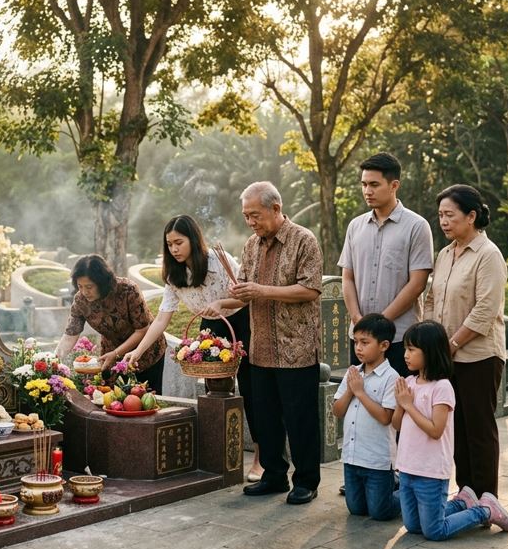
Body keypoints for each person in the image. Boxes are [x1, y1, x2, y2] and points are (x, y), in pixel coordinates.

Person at [123, 215, 262, 481]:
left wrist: (222, 304)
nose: (174, 249)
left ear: (193, 240)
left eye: (179, 242)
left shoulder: (217, 262)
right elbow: (162, 318)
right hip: (210, 329)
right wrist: (137, 351)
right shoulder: (174, 276)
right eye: (170, 244)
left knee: (251, 390)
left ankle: (259, 458)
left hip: (240, 322)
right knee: (216, 392)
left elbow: (242, 299)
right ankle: (220, 455)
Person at [213, 181, 323, 504]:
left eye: (255, 215)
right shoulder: (251, 245)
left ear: (276, 208)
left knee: (300, 418)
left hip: (296, 349)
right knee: (265, 418)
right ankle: (274, 475)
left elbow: (310, 289)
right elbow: (247, 292)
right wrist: (225, 302)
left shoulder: (304, 240)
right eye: (246, 217)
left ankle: (306, 481)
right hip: (260, 349)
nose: (251, 222)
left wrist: (260, 290)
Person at [392, 320, 508, 540]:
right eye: (405, 349)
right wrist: (401, 404)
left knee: (435, 531)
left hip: (430, 471)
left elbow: (436, 430)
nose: (405, 355)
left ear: (429, 352)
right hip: (407, 468)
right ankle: (464, 501)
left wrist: (408, 405)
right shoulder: (408, 382)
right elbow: (397, 425)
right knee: (413, 526)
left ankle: (484, 510)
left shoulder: (442, 387)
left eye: (411, 349)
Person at [425, 184, 507, 498]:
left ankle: (487, 499)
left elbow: (485, 309)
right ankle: (466, 492)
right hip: (448, 355)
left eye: (450, 215)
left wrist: (453, 343)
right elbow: (431, 299)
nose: (443, 221)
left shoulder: (489, 255)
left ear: (471, 216)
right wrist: (433, 338)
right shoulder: (445, 254)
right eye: (441, 215)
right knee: (456, 428)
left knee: (479, 428)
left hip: (479, 356)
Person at [339, 152, 433, 377]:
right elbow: (348, 277)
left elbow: (417, 283)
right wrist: (358, 321)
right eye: (363, 184)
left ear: (394, 185)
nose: (367, 191)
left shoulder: (417, 226)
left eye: (374, 184)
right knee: (361, 405)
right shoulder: (355, 226)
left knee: (398, 407)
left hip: (399, 339)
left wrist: (380, 324)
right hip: (360, 339)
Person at [56, 254, 166, 393]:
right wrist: (53, 360)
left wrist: (116, 353)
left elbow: (142, 330)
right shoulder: (80, 300)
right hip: (111, 355)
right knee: (112, 399)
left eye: (89, 287)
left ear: (102, 282)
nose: (84, 292)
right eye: (80, 286)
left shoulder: (127, 290)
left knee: (145, 399)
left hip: (146, 350)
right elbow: (70, 334)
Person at [332, 313, 400, 520]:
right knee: (357, 509)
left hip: (377, 460)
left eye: (365, 342)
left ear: (384, 345)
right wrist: (351, 390)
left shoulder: (391, 377)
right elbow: (337, 410)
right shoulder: (353, 373)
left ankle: (407, 493)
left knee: (380, 513)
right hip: (352, 457)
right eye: (356, 342)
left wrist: (360, 392)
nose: (358, 348)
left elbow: (385, 418)